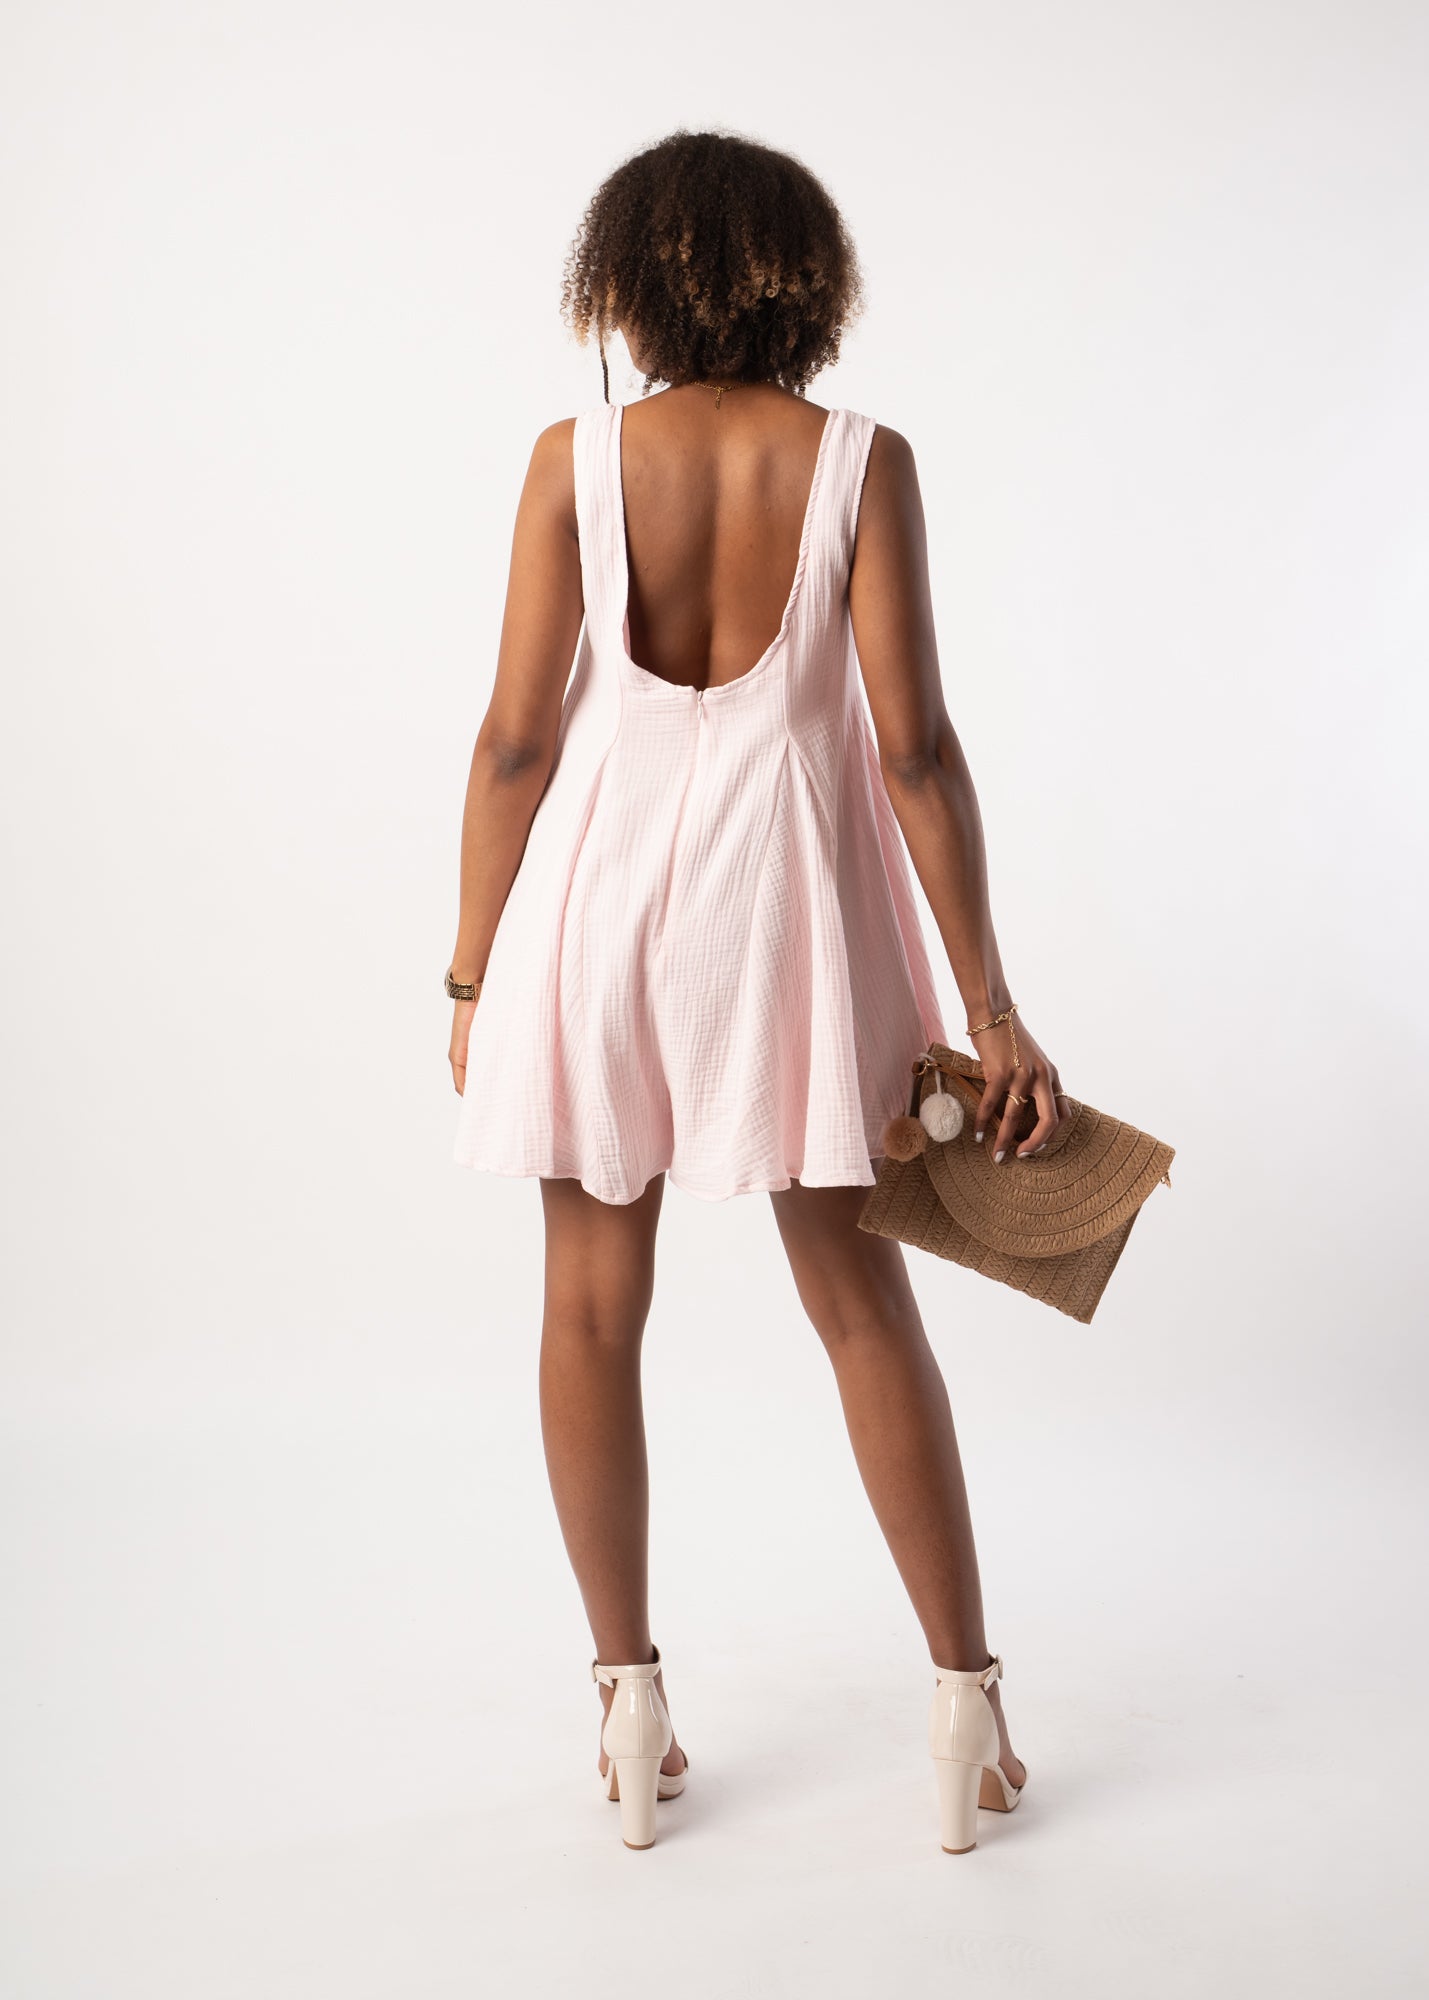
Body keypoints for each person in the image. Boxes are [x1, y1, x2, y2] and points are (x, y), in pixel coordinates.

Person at [445, 129, 1064, 1854]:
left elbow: (514, 740)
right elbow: (914, 750)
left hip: (595, 911)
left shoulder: (572, 460)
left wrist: (472, 969)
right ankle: (963, 1701)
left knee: (587, 1308)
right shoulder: (862, 460)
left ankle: (626, 1704)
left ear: (625, 280)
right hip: (792, 919)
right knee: (863, 1306)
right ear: (803, 279)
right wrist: (991, 1005)